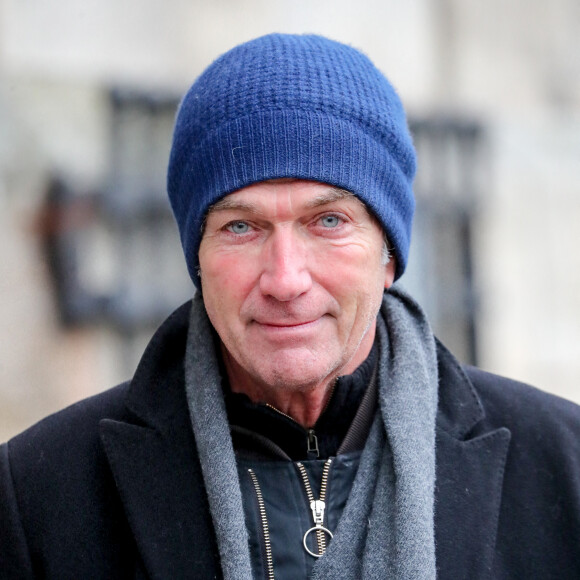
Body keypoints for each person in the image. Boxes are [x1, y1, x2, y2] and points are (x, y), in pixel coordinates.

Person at [1, 33, 579, 580]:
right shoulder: (37, 494)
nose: (285, 279)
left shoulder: (563, 465)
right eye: (241, 226)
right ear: (197, 257)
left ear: (389, 255)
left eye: (328, 221)